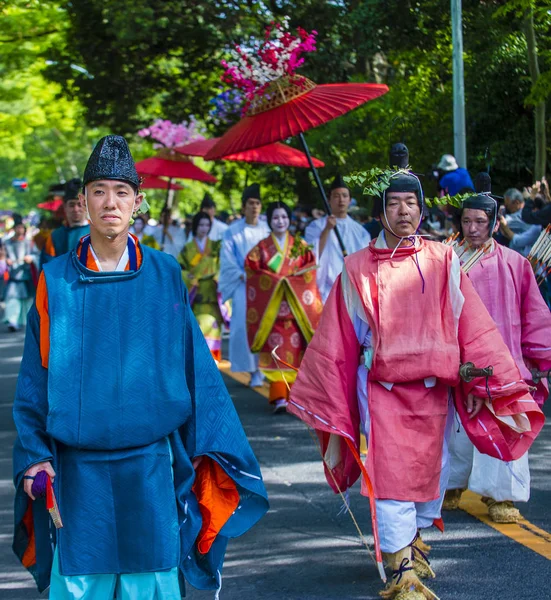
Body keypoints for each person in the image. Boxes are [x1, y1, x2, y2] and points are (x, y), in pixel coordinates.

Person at [12, 135, 268, 598]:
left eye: (122, 191)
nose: (111, 202)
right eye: (99, 191)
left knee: (151, 582)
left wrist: (212, 449)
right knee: (78, 584)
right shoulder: (55, 280)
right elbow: (34, 379)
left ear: (138, 202)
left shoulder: (165, 272)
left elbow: (197, 372)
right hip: (76, 468)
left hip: (150, 463)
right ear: (84, 202)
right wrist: (34, 457)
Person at [288, 145, 543, 600]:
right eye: (393, 203)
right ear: (381, 211)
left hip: (435, 388)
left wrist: (492, 376)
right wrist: (328, 391)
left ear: (422, 211)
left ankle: (415, 538)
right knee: (390, 476)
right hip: (382, 389)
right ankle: (399, 566)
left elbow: (473, 324)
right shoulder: (356, 267)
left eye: (411, 203)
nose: (403, 211)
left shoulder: (444, 260)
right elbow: (339, 338)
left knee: (433, 472)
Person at [445, 176, 551, 524]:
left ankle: (500, 496)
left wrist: (539, 360)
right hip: (458, 360)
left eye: (479, 221)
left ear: (493, 223)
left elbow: (534, 314)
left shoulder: (515, 263)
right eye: (466, 221)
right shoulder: (447, 262)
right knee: (455, 431)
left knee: (505, 427)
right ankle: (450, 485)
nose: (472, 228)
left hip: (505, 362)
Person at [245, 201, 322, 414]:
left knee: (297, 355)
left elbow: (310, 270)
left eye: (284, 217)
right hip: (271, 313)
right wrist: (278, 282)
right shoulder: (260, 248)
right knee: (276, 353)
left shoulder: (300, 246)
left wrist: (291, 282)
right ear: (269, 221)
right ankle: (279, 396)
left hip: (296, 312)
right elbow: (252, 271)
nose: (281, 221)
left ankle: (295, 398)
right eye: (276, 217)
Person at [218, 184, 270, 387]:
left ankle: (265, 368)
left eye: (257, 203)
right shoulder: (233, 232)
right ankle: (253, 370)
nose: (254, 207)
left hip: (265, 288)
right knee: (244, 328)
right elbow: (228, 260)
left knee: (265, 327)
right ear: (244, 206)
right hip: (243, 286)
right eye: (251, 203)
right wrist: (244, 274)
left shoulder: (268, 230)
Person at [304, 174, 371, 302]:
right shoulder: (316, 226)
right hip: (325, 291)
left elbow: (365, 263)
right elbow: (311, 255)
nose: (341, 200)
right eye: (336, 196)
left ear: (350, 200)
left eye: (345, 196)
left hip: (351, 290)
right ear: (329, 200)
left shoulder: (360, 231)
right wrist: (326, 230)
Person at [179, 211, 224, 362]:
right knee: (196, 335)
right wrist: (188, 277)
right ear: (195, 226)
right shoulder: (188, 248)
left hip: (212, 296)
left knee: (213, 334)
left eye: (207, 225)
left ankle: (213, 369)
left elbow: (222, 267)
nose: (204, 228)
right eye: (201, 225)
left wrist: (218, 276)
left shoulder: (216, 246)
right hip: (195, 298)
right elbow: (180, 269)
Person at [40, 178, 90, 268]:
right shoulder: (55, 236)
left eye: (79, 204)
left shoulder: (98, 232)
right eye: (71, 205)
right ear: (65, 207)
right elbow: (48, 268)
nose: (76, 209)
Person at [4, 223, 37, 331]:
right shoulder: (7, 243)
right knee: (12, 298)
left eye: (21, 227)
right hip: (13, 275)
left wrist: (31, 258)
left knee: (27, 300)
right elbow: (3, 256)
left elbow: (36, 255)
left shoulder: (29, 243)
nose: (19, 229)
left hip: (26, 275)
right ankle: (12, 321)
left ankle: (23, 321)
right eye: (17, 227)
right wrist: (5, 260)